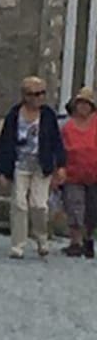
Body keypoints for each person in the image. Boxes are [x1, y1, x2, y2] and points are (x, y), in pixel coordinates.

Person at [0, 76, 67, 259]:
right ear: (24, 95)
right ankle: (18, 245)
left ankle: (42, 238)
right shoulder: (14, 114)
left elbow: (57, 142)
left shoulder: (48, 115)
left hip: (41, 165)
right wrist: (1, 170)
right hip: (20, 164)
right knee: (18, 204)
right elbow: (4, 142)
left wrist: (61, 165)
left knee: (39, 205)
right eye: (34, 94)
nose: (39, 98)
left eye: (42, 93)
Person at [59, 87, 97, 258]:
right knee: (74, 207)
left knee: (92, 209)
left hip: (94, 174)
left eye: (86, 104)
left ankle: (88, 240)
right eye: (80, 103)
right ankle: (75, 241)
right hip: (72, 174)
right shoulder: (66, 126)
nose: (83, 107)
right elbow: (59, 149)